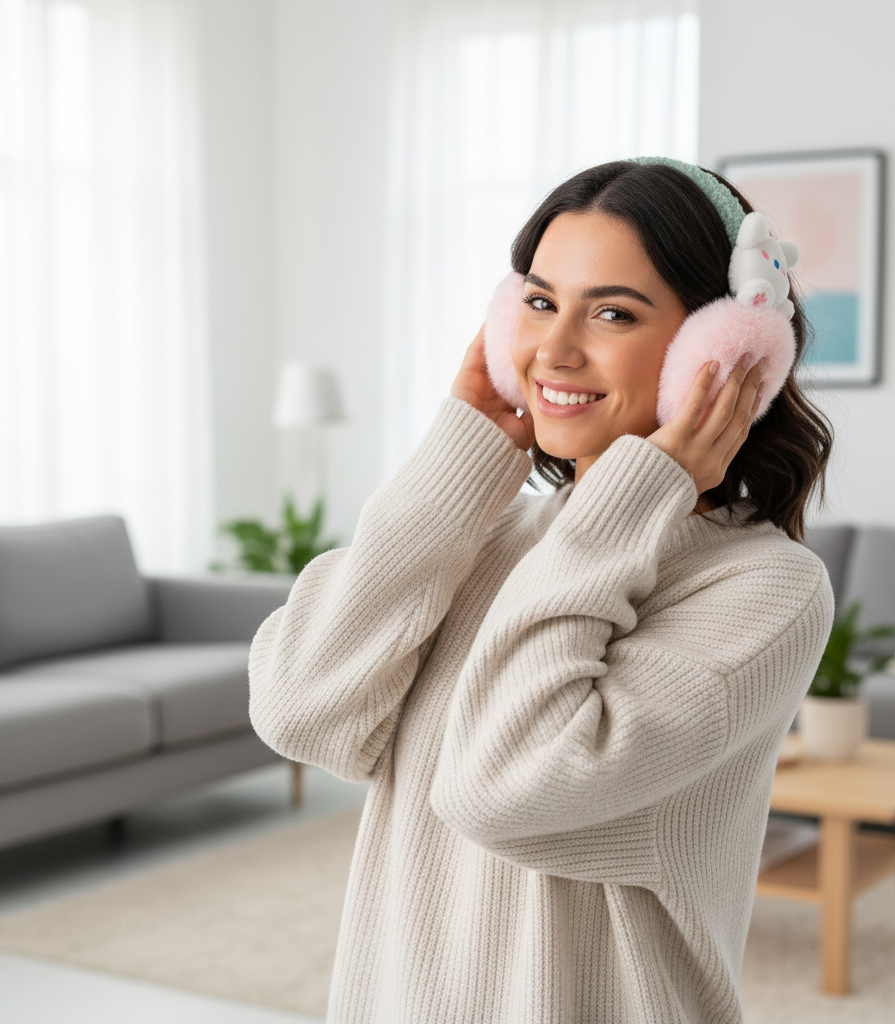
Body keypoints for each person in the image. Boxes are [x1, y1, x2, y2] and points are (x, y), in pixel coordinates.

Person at [248, 158, 834, 1024]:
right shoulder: (481, 534)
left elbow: (503, 790)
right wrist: (461, 459)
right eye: (537, 301)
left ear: (722, 351)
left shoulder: (766, 589)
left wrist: (628, 497)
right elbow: (303, 711)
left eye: (611, 313)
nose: (554, 350)